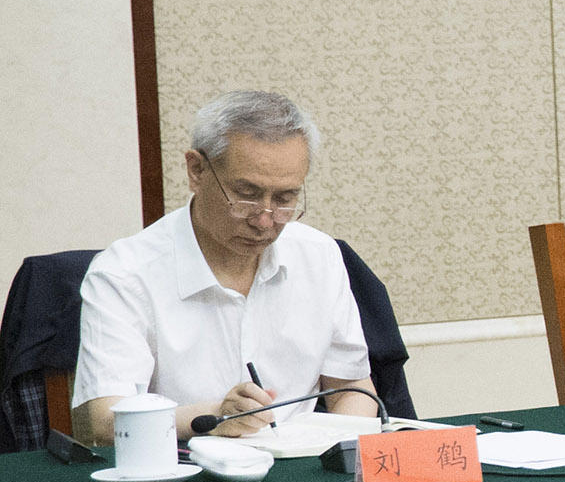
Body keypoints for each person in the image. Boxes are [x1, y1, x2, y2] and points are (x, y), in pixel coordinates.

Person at [72, 90, 379, 445]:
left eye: (285, 198)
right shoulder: (124, 274)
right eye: (246, 194)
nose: (265, 220)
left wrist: (341, 451)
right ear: (196, 170)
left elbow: (351, 387)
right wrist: (215, 417)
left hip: (299, 466)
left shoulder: (318, 255)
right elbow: (103, 421)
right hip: (181, 466)